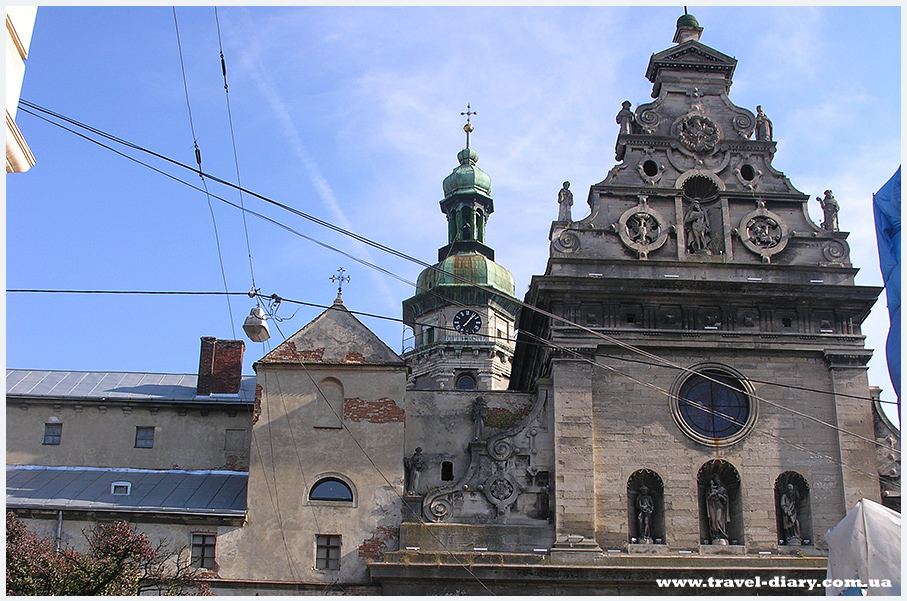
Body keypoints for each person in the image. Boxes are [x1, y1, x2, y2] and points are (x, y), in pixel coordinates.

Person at [707, 474, 729, 542]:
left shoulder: (722, 489)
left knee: (718, 519)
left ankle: (722, 534)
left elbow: (725, 500)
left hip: (719, 505)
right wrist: (712, 495)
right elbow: (707, 498)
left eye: (717, 480)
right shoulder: (710, 489)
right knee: (713, 520)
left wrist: (720, 496)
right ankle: (715, 535)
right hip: (712, 505)